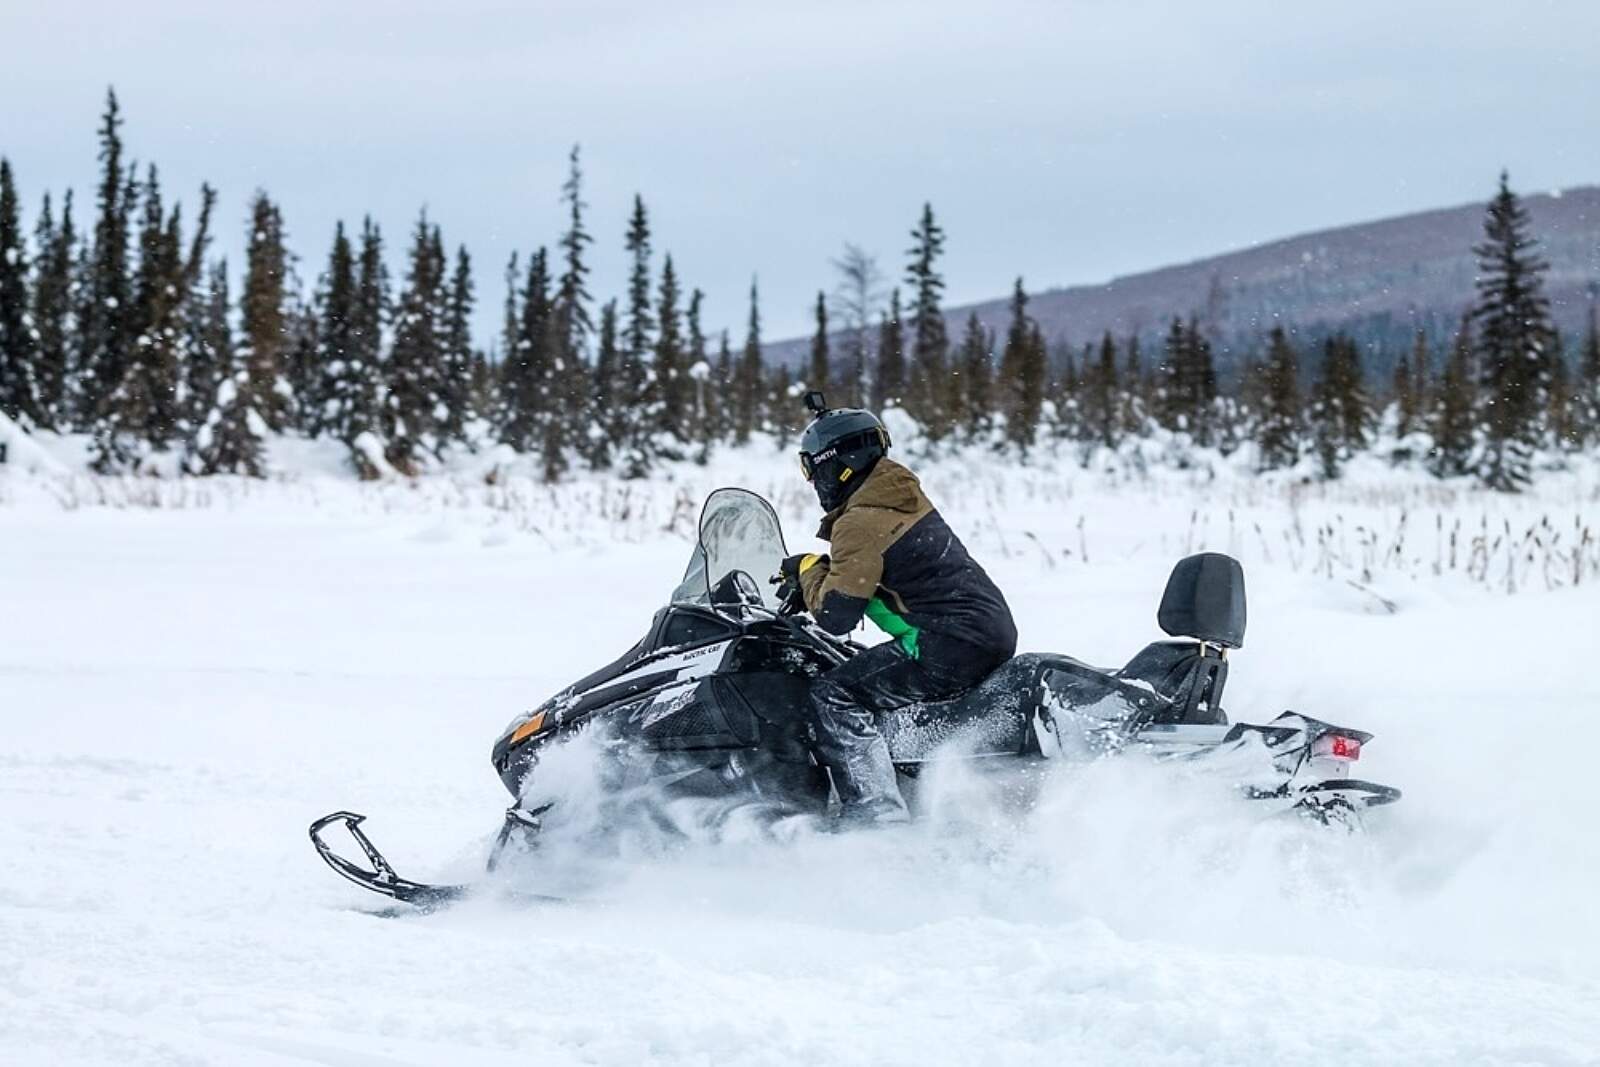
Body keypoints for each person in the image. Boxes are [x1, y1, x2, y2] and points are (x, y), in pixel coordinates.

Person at [775, 395, 1018, 823]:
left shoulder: (858, 521)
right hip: (984, 633)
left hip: (946, 641)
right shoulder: (899, 498)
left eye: (810, 469)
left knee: (833, 695)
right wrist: (822, 571)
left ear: (835, 463)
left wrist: (809, 570)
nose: (812, 482)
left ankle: (874, 814)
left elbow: (836, 616)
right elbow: (873, 573)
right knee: (864, 672)